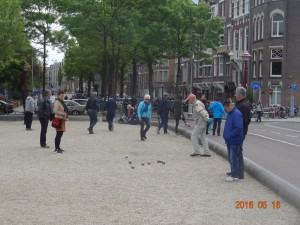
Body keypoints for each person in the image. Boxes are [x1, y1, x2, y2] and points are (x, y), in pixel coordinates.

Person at [223, 98, 244, 182]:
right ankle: (233, 172)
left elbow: (238, 128)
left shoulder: (236, 113)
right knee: (231, 157)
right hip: (230, 139)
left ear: (232, 105)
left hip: (234, 140)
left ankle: (234, 175)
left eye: (228, 107)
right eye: (225, 107)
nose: (226, 108)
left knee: (233, 157)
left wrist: (228, 135)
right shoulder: (231, 113)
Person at [234, 87, 251, 179]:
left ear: (239, 95)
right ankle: (237, 170)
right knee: (237, 151)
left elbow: (244, 121)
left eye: (236, 94)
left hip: (239, 133)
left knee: (237, 152)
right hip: (240, 132)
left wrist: (237, 131)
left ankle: (239, 172)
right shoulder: (242, 104)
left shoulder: (242, 106)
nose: (235, 95)